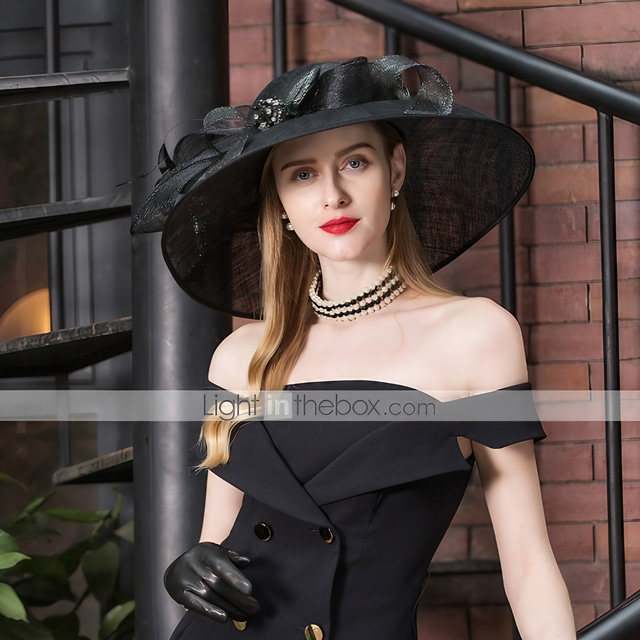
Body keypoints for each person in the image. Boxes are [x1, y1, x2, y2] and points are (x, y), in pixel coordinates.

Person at [131, 55, 576, 640]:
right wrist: (190, 567)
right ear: (282, 205)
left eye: (355, 163)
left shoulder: (476, 335)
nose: (333, 195)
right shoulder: (240, 355)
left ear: (394, 171)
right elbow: (218, 541)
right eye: (303, 175)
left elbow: (527, 563)